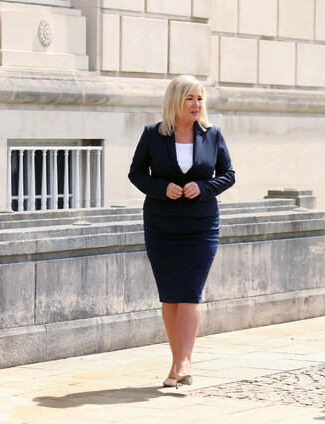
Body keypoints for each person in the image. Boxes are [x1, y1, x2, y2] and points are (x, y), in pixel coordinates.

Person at [128, 75, 235, 388]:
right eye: (190, 98)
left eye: (199, 98)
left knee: (190, 291)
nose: (196, 104)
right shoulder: (153, 134)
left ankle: (185, 360)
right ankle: (176, 366)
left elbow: (228, 175)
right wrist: (162, 188)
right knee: (170, 296)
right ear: (175, 100)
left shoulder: (212, 134)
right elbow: (136, 173)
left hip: (201, 226)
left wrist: (203, 187)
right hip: (161, 226)